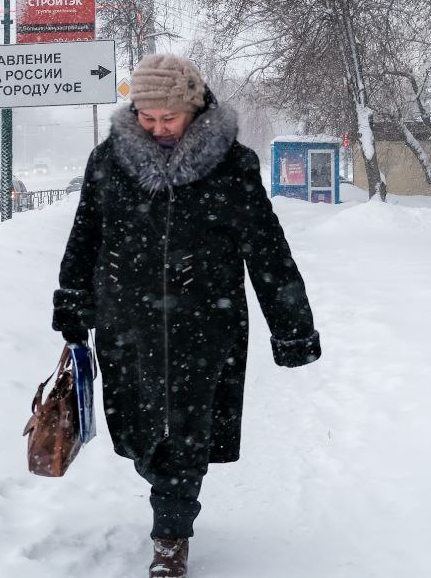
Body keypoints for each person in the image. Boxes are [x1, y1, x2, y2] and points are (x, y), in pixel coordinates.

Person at [52, 54, 322, 578]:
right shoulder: (108, 161)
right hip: (126, 322)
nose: (157, 129)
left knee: (186, 434)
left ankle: (170, 536)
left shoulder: (232, 165)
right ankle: (164, 492)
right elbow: (85, 235)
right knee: (138, 431)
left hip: (206, 323)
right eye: (147, 119)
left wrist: (292, 328)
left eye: (168, 119)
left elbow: (267, 249)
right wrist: (72, 304)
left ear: (194, 110)